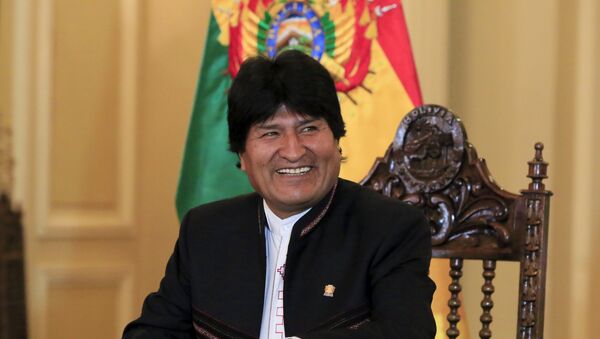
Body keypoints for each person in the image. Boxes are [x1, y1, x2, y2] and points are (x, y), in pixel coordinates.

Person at [123, 50, 436, 339]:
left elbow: (405, 332)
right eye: (271, 133)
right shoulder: (205, 230)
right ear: (242, 156)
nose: (293, 151)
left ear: (337, 140)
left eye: (309, 128)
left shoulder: (391, 228)